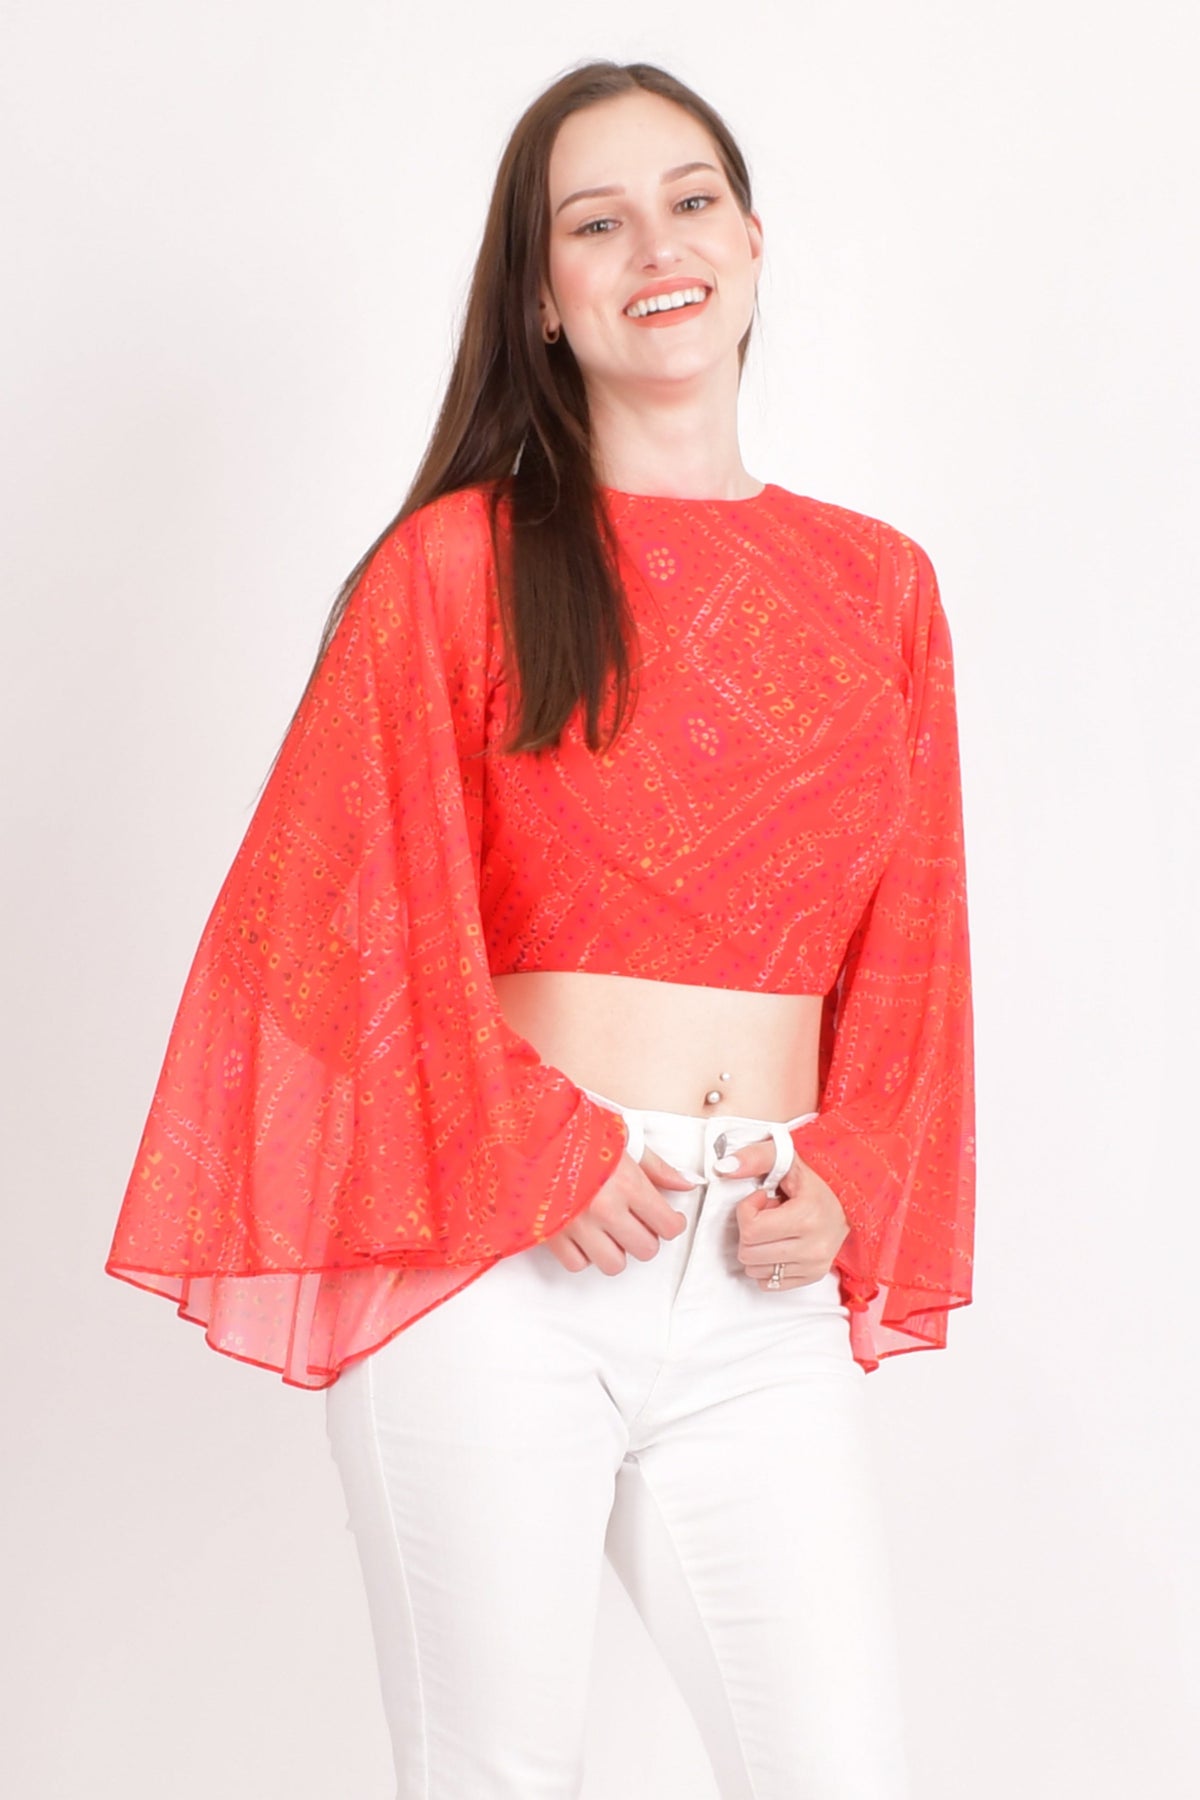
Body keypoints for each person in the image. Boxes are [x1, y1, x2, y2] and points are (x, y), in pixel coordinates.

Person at [105, 58, 975, 1800]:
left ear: (753, 241)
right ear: (541, 297)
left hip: (759, 1268)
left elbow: (918, 935)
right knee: (496, 1771)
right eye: (597, 222)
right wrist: (539, 1148)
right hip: (503, 1260)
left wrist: (860, 1171)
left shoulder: (880, 584)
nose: (658, 247)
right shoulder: (454, 567)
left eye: (692, 200)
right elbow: (325, 929)